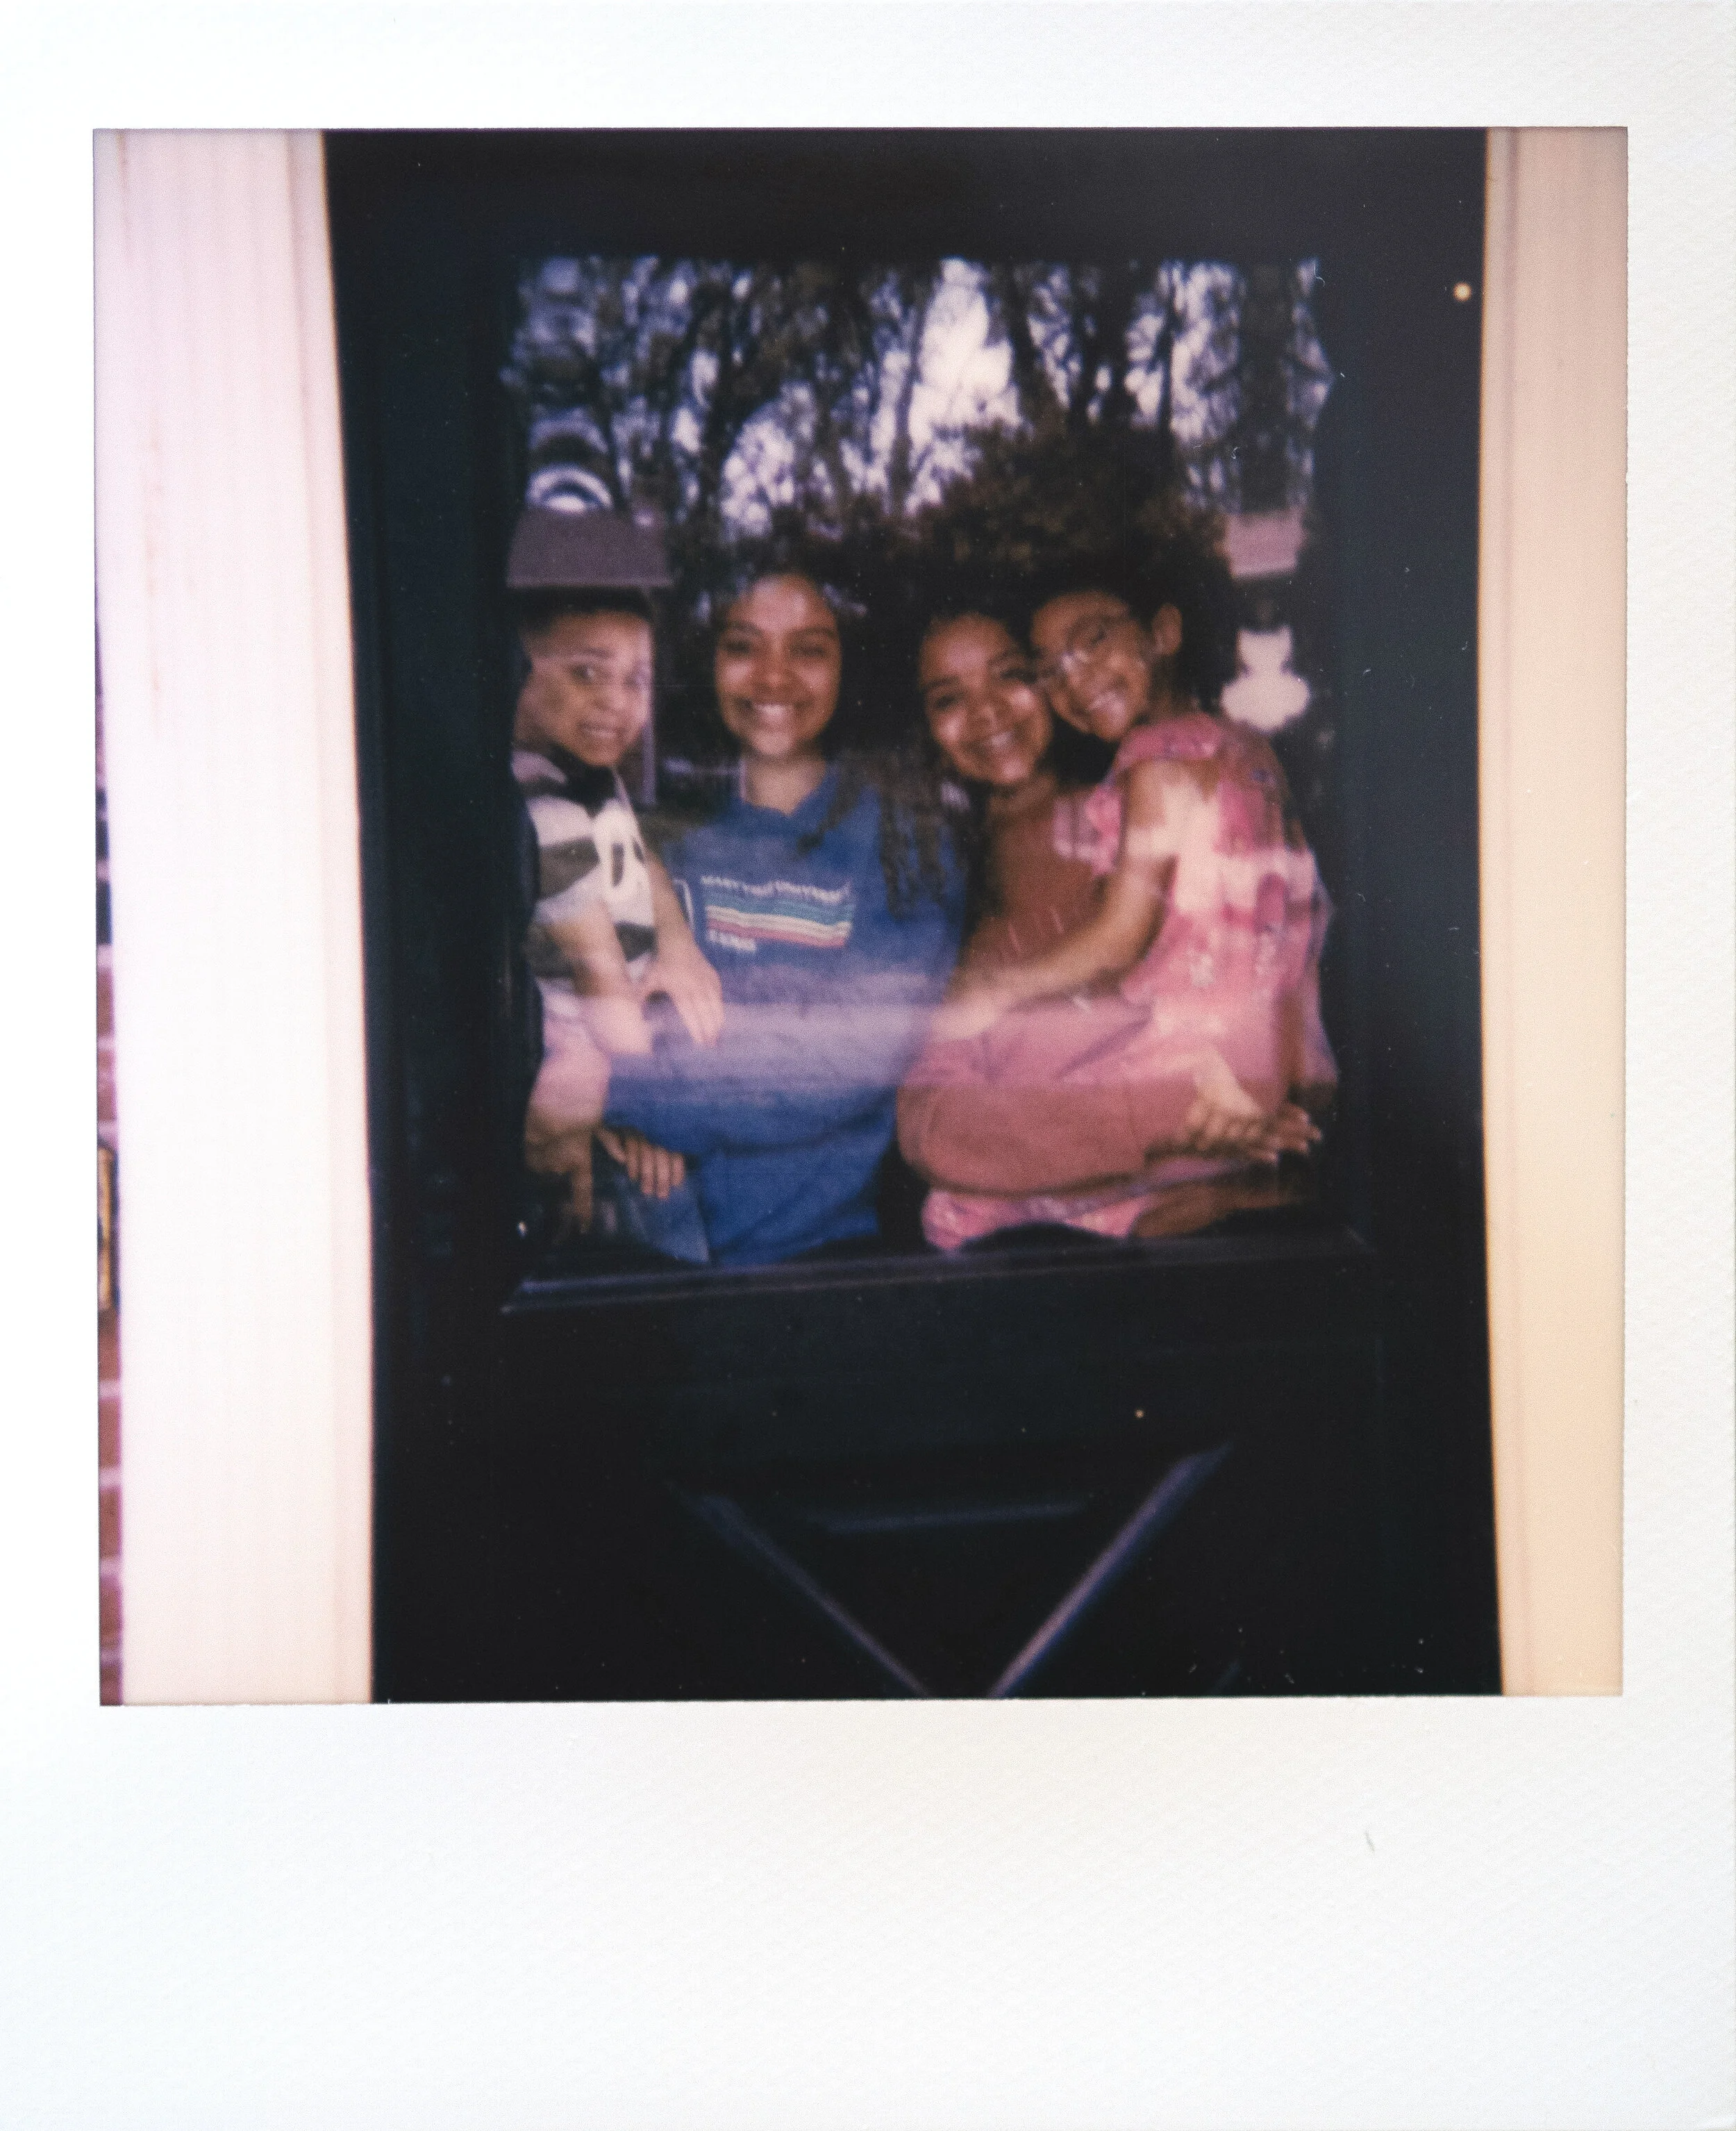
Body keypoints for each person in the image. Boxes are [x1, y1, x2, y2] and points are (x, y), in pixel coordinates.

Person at [898, 576, 1333, 1248]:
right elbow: (933, 1119)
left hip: (1187, 1194)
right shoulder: (937, 883)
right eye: (947, 699)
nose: (983, 711)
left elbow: (1280, 1061)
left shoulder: (1153, 812)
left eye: (1010, 676)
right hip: (1124, 1193)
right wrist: (1170, 1113)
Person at [600, 555, 964, 1266]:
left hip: (809, 1259)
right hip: (641, 1249)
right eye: (743, 646)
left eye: (808, 650)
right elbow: (583, 997)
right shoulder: (663, 835)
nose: (773, 676)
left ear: (847, 669)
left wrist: (621, 1100)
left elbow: (831, 1062)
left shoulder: (904, 841)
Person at [510, 511, 723, 1259]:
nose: (615, 700)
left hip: (619, 1056)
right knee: (658, 1254)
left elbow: (645, 864)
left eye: (634, 679)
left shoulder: (593, 785)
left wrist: (678, 944)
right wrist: (647, 1110)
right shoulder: (544, 813)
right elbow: (598, 972)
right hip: (593, 1075)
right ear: (518, 670)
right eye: (585, 672)